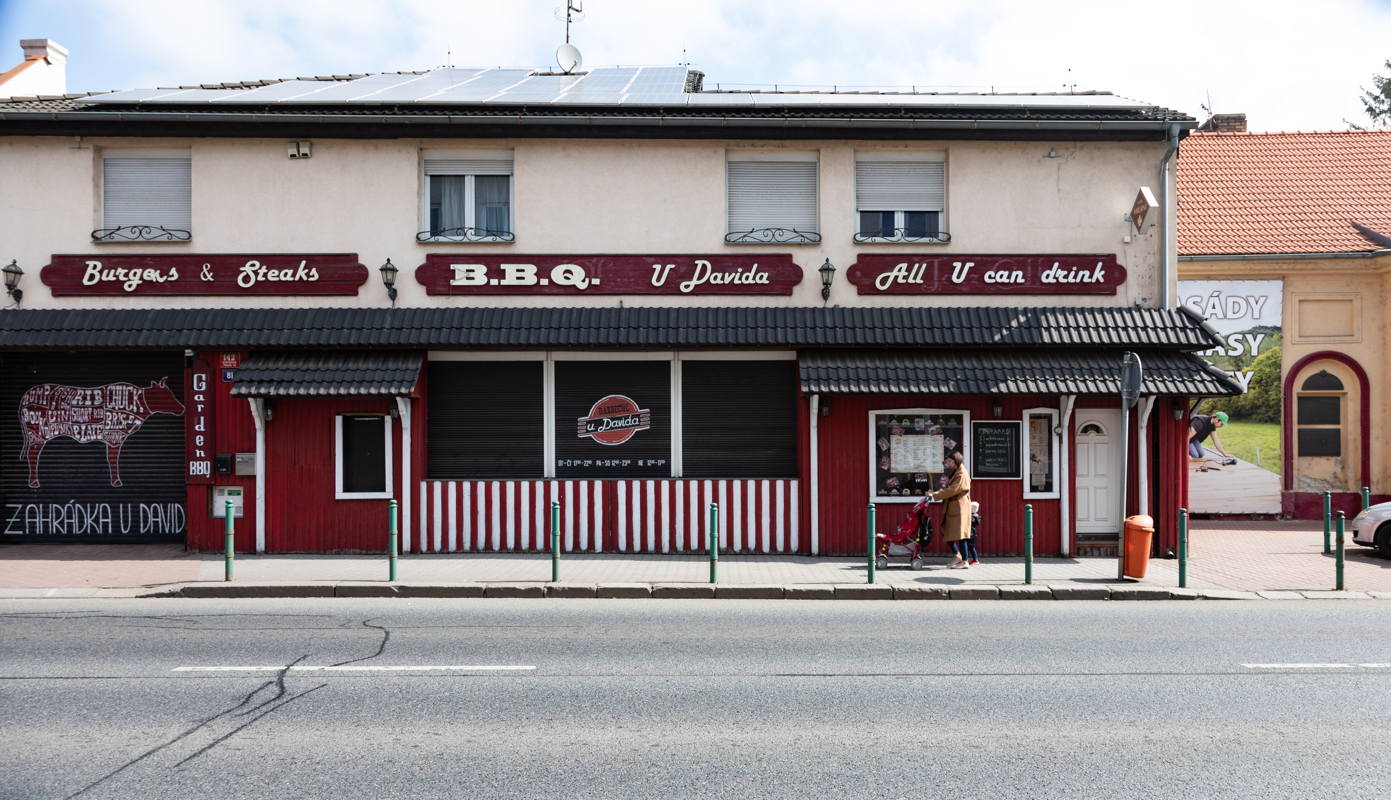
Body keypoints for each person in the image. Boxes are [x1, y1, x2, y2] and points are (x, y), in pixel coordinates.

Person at [931, 451, 974, 568]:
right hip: (955, 506)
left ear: (956, 461)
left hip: (959, 506)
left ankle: (964, 560)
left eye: (950, 461)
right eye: (948, 461)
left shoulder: (961, 474)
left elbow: (952, 490)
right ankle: (957, 556)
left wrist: (935, 494)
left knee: (961, 534)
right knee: (948, 531)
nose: (948, 463)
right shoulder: (957, 471)